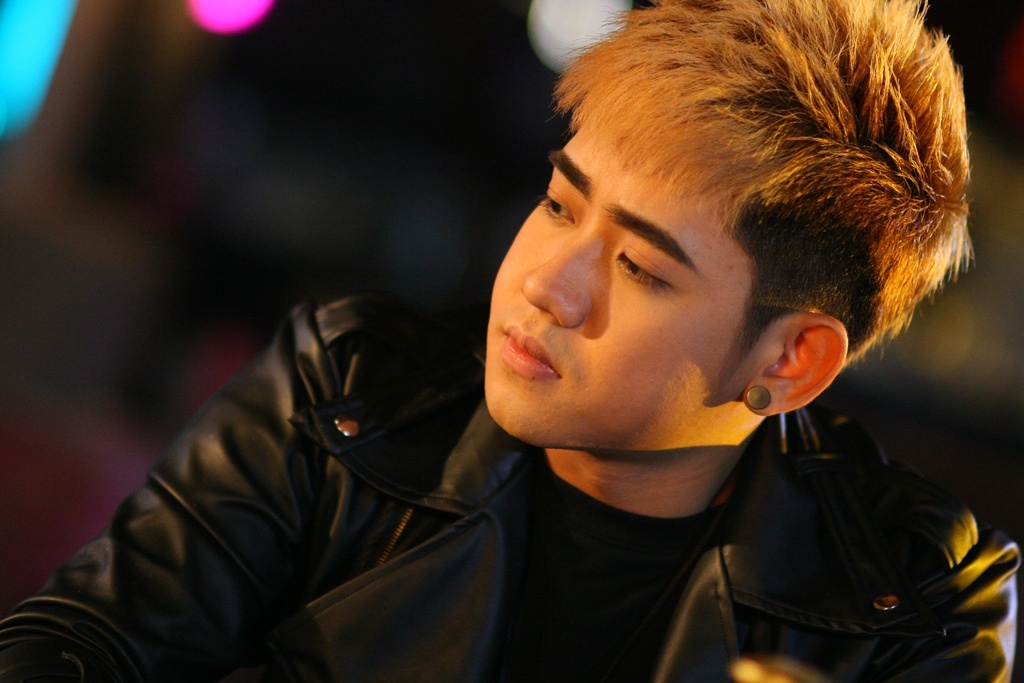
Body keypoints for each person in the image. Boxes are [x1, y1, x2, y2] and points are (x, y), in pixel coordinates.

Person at [0, 0, 1017, 681]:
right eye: (560, 204)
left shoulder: (912, 596)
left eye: (641, 268)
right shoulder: (350, 390)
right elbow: (85, 638)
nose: (546, 284)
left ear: (789, 361)